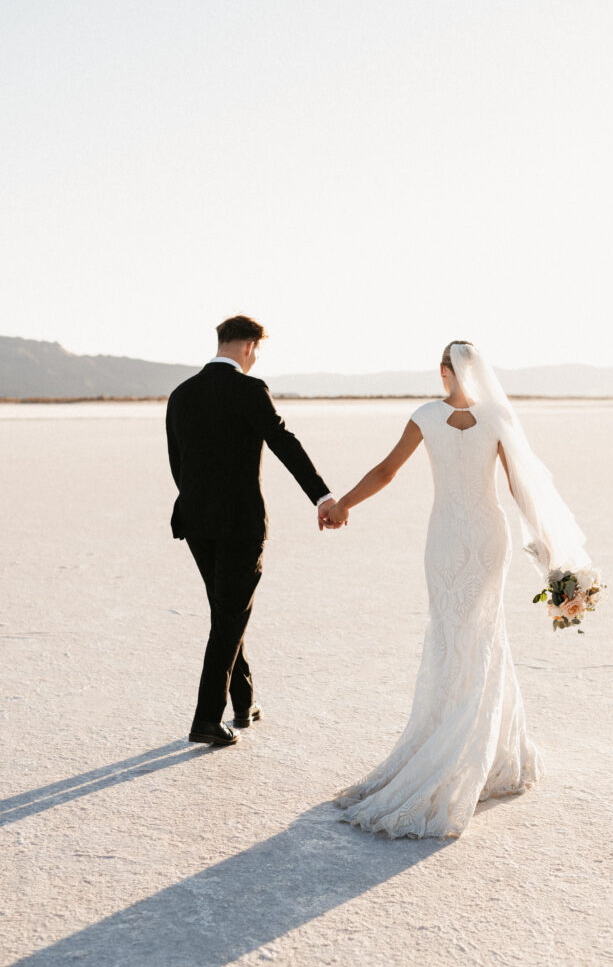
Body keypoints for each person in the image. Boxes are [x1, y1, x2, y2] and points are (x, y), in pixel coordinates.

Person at [326, 340, 590, 838]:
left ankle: (457, 741)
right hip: (491, 538)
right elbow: (519, 490)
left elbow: (386, 471)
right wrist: (553, 553)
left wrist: (343, 505)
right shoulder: (496, 419)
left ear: (444, 371)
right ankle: (485, 749)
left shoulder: (426, 415)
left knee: (453, 636)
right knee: (484, 635)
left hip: (446, 538)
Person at [166, 315, 337, 747]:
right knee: (229, 617)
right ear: (248, 347)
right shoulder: (249, 389)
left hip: (196, 521)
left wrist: (194, 502)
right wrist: (322, 497)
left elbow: (177, 461)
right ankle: (207, 719)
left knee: (226, 613)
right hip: (240, 524)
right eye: (257, 350)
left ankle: (243, 702)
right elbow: (284, 443)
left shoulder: (181, 394)